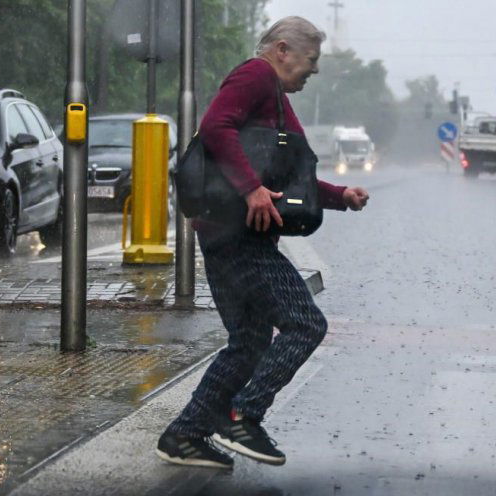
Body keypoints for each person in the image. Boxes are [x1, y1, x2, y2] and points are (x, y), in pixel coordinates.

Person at [155, 16, 369, 470]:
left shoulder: (275, 98)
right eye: (310, 60)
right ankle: (242, 416)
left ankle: (184, 435)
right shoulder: (256, 75)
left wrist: (340, 197)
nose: (313, 70)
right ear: (283, 49)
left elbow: (291, 182)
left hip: (232, 234)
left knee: (249, 343)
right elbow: (215, 127)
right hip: (238, 239)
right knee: (306, 324)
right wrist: (251, 188)